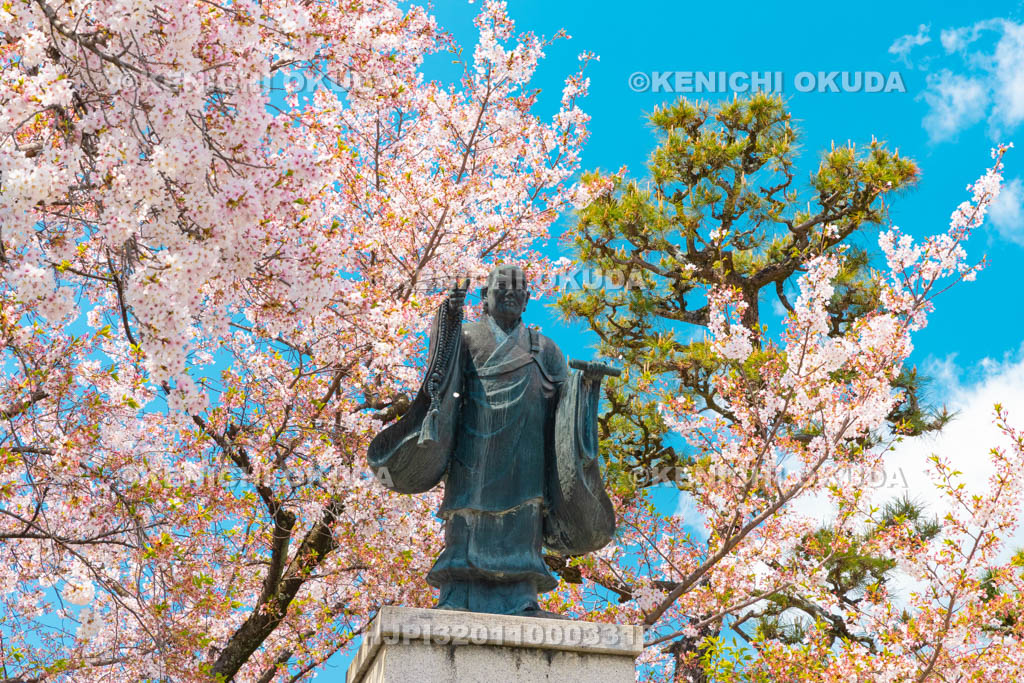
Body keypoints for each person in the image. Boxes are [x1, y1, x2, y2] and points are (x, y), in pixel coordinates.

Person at [367, 265, 616, 617]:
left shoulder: (546, 349)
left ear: (527, 300)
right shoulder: (469, 336)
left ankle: (523, 599)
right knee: (467, 517)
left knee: (524, 522)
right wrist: (449, 316)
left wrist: (585, 385)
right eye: (502, 287)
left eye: (520, 289)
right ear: (484, 297)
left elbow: (564, 404)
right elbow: (442, 375)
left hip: (527, 453)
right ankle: (457, 594)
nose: (511, 293)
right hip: (475, 448)